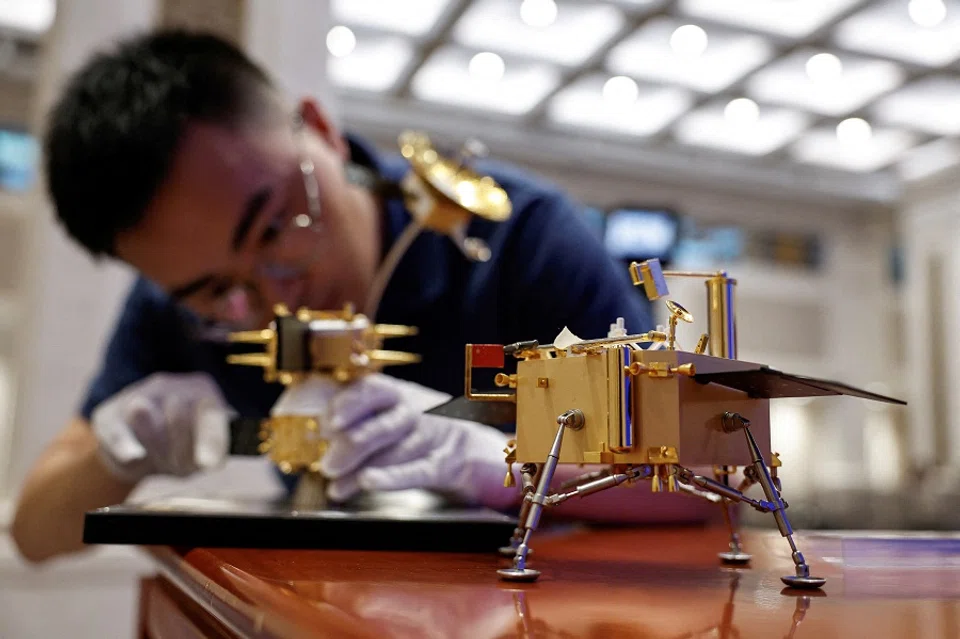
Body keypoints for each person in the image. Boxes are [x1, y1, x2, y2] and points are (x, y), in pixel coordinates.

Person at [11, 29, 716, 563]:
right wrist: (116, 453)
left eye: (276, 227)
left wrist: (500, 462)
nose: (276, 296)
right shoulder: (180, 311)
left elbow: (702, 472)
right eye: (219, 290)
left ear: (320, 129)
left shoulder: (518, 241)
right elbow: (34, 533)